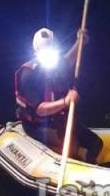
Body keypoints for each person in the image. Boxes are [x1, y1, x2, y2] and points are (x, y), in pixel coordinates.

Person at [14, 27, 103, 163]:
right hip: (37, 125)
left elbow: (66, 61)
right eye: (45, 52)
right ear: (36, 51)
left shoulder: (53, 63)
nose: (49, 56)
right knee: (70, 149)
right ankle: (72, 162)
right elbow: (40, 109)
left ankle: (90, 164)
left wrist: (80, 42)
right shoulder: (28, 74)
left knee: (96, 143)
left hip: (56, 120)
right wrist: (65, 102)